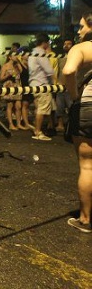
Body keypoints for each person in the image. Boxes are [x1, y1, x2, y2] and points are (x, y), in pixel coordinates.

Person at [62, 12, 92, 234]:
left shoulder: (81, 48)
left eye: (82, 27)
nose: (79, 31)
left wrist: (74, 95)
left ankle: (85, 219)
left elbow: (69, 70)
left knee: (87, 165)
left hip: (88, 107)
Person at [28, 33, 56, 141]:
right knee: (42, 109)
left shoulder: (33, 53)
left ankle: (37, 129)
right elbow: (49, 70)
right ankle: (38, 132)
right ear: (44, 42)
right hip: (42, 84)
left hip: (34, 83)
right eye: (48, 42)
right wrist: (55, 84)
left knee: (38, 108)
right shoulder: (40, 53)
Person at [0, 53, 28, 130]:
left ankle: (18, 124)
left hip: (17, 86)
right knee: (10, 105)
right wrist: (7, 75)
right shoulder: (5, 66)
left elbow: (22, 71)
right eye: (15, 55)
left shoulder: (17, 65)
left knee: (18, 106)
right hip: (9, 85)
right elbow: (1, 78)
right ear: (10, 57)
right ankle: (11, 124)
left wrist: (18, 62)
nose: (16, 56)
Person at [56, 38, 74, 132]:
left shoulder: (75, 57)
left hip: (71, 86)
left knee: (71, 107)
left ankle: (71, 126)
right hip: (60, 86)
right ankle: (60, 125)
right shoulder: (60, 57)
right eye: (65, 44)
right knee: (59, 107)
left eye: (69, 43)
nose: (66, 45)